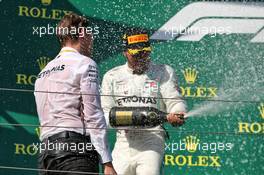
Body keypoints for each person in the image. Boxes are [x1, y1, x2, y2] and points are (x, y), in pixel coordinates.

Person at [34, 13, 116, 175]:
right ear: (82, 35)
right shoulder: (85, 64)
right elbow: (93, 116)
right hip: (75, 151)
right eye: (90, 35)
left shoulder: (43, 73)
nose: (92, 41)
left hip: (45, 154)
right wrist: (107, 162)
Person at [101, 29, 187, 175]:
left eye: (145, 52)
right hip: (123, 143)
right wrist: (131, 119)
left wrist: (178, 112)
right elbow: (104, 115)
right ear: (125, 52)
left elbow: (175, 100)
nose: (141, 57)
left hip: (152, 140)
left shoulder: (164, 71)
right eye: (136, 54)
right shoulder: (112, 76)